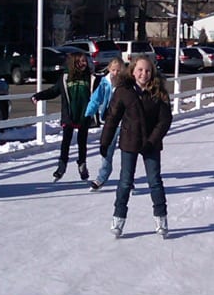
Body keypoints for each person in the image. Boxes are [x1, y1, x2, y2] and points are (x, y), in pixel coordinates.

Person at [100, 56, 172, 238]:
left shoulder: (158, 92)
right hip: (129, 141)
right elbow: (112, 118)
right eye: (140, 70)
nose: (144, 74)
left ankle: (161, 219)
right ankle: (118, 219)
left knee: (154, 181)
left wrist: (151, 142)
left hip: (151, 144)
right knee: (125, 181)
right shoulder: (123, 91)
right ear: (132, 71)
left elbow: (164, 121)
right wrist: (105, 141)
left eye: (147, 70)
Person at [32, 51, 93, 181]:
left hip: (84, 115)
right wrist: (39, 96)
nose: (84, 63)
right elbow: (53, 91)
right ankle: (62, 165)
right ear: (74, 63)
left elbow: (100, 90)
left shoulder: (89, 77)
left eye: (85, 61)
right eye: (81, 61)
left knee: (82, 142)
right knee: (66, 141)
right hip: (69, 115)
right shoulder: (65, 78)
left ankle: (82, 164)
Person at [85, 57, 123, 191]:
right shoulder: (104, 83)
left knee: (128, 152)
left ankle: (127, 179)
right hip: (110, 122)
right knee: (106, 151)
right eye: (113, 70)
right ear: (109, 69)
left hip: (126, 122)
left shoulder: (127, 83)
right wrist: (88, 114)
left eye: (119, 70)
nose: (116, 73)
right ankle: (102, 177)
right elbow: (96, 99)